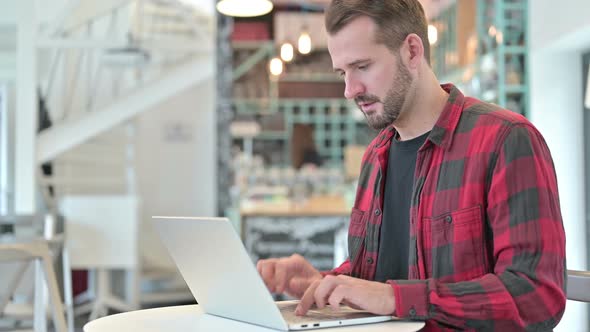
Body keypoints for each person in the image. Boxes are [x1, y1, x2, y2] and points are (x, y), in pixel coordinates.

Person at [256, 0, 567, 331]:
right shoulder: (375, 157)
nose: (350, 90)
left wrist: (395, 299)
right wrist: (322, 284)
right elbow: (384, 275)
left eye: (362, 66)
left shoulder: (505, 140)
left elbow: (537, 298)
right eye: (342, 72)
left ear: (412, 52)